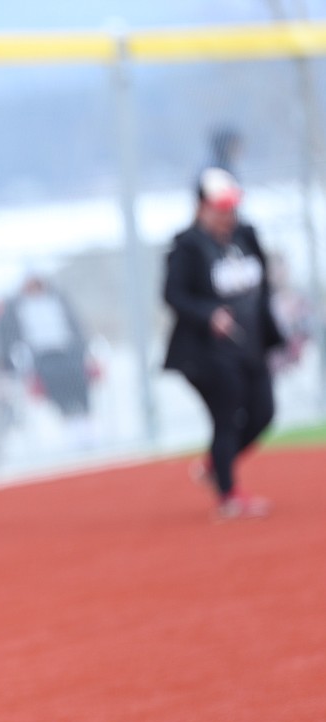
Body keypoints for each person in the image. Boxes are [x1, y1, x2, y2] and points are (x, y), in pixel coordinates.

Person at [163, 167, 285, 520]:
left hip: (251, 345)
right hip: (208, 354)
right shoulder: (188, 246)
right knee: (227, 415)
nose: (227, 215)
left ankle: (217, 464)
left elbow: (263, 286)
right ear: (202, 207)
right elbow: (174, 295)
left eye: (231, 208)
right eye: (220, 208)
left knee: (263, 413)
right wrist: (209, 314)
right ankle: (229, 493)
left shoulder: (245, 236)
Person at [0, 269, 97, 447]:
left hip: (67, 350)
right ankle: (68, 417)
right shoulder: (16, 306)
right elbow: (8, 337)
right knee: (53, 375)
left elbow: (77, 328)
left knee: (77, 371)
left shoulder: (58, 299)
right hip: (39, 356)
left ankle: (85, 418)